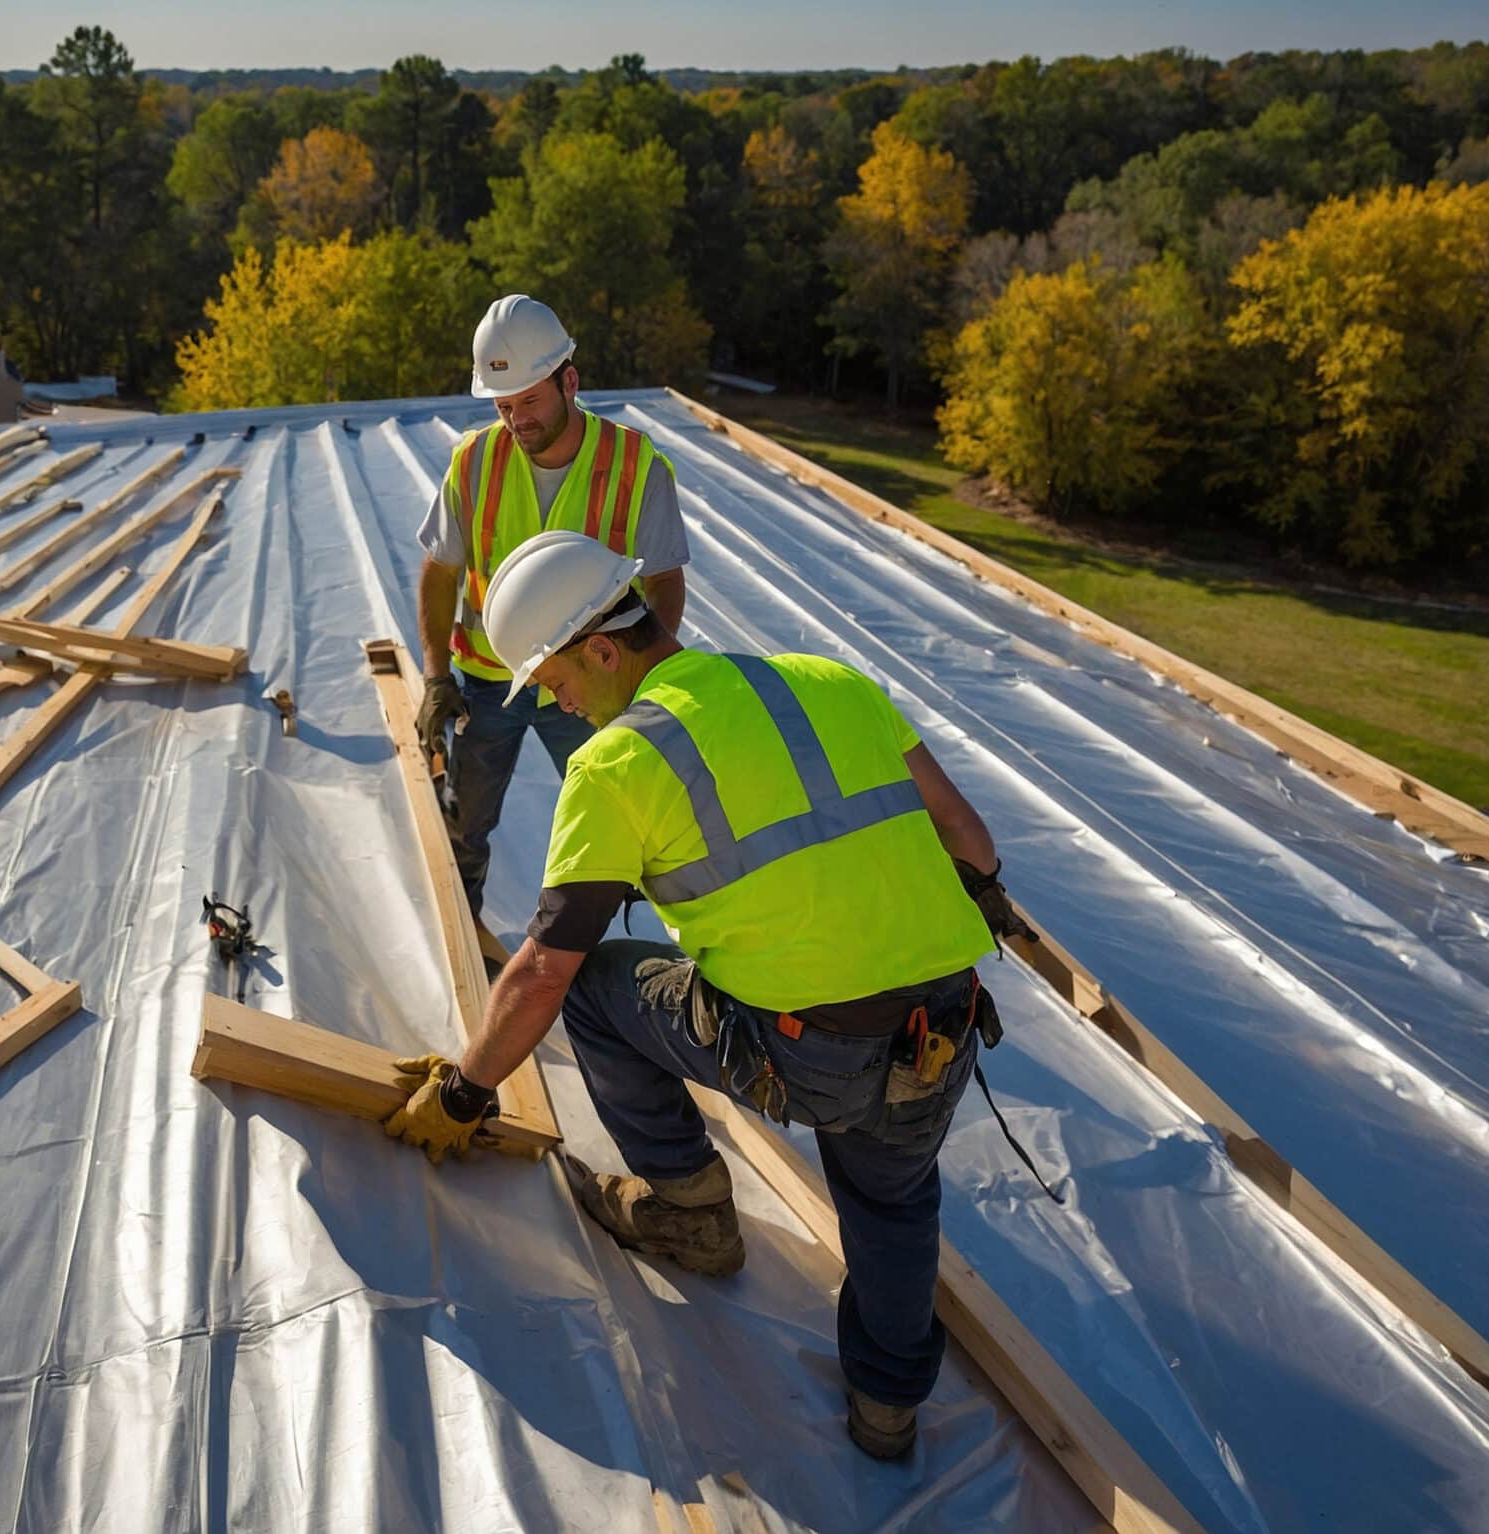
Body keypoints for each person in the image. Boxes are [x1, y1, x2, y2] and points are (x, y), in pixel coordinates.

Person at [380, 530, 1037, 1461]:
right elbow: (968, 841)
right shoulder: (831, 681)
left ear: (604, 647)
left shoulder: (616, 765)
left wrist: (465, 1091)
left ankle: (691, 1209)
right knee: (892, 1202)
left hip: (808, 1051)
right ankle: (889, 1409)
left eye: (557, 679)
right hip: (942, 1031)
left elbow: (540, 974)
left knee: (601, 988)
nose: (557, 701)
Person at [414, 294, 690, 917]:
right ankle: (465, 937)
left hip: (594, 683)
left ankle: (603, 953)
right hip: (490, 683)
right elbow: (440, 571)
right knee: (466, 823)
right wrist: (435, 677)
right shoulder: (474, 460)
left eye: (530, 401)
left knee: (621, 822)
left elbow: (666, 580)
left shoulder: (634, 464)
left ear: (570, 380)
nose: (517, 421)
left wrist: (642, 684)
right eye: (504, 406)